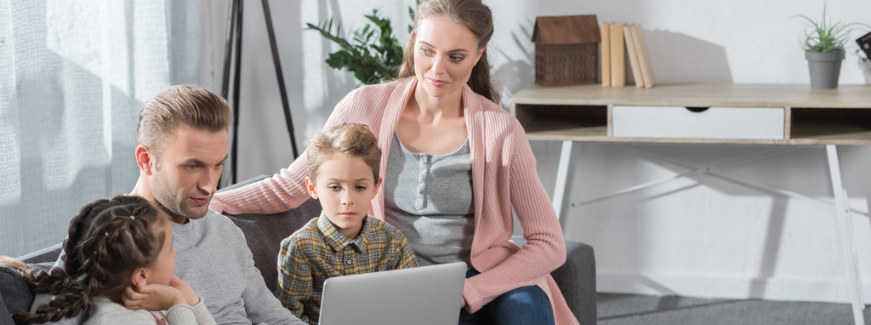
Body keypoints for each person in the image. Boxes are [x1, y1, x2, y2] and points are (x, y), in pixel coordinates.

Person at [210, 0, 579, 324]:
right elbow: (290, 186)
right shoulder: (364, 106)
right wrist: (212, 200)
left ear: (478, 54)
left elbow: (548, 242)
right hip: (397, 282)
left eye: (455, 57)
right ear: (414, 41)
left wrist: (472, 291)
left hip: (481, 280)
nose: (437, 69)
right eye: (427, 51)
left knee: (526, 308)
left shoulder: (501, 130)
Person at [54, 85, 305, 325]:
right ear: (146, 160)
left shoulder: (224, 231)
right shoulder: (107, 237)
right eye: (192, 166)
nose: (210, 186)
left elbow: (277, 319)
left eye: (218, 165)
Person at [275, 123, 418, 325]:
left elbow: (412, 303)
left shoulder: (393, 241)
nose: (347, 200)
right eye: (335, 187)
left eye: (359, 187)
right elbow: (288, 317)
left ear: (375, 188)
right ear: (312, 188)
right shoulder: (299, 248)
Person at [13, 195, 216, 325]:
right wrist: (177, 303)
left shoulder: (152, 300)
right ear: (141, 275)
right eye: (170, 249)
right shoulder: (118, 320)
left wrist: (191, 301)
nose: (175, 253)